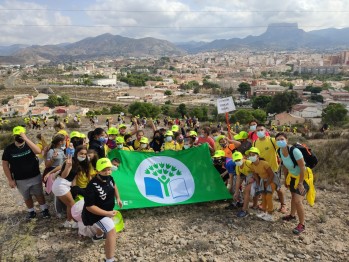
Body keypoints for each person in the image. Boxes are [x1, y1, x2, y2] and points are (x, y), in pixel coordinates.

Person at [2, 126, 50, 220]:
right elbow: (5, 165)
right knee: (26, 196)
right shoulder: (9, 149)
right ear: (14, 136)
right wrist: (10, 180)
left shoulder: (29, 145)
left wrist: (26, 139)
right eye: (17, 135)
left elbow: (38, 151)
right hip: (20, 179)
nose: (19, 137)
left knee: (39, 194)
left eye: (20, 135)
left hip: (34, 176)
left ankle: (44, 210)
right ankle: (31, 212)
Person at [82, 158, 123, 262]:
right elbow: (89, 207)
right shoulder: (91, 187)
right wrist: (107, 213)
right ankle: (109, 260)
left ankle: (98, 236)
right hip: (95, 214)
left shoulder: (109, 178)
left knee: (105, 225)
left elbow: (114, 186)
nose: (107, 172)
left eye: (109, 169)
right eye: (104, 170)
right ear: (97, 171)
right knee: (111, 231)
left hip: (107, 210)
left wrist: (118, 198)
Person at [276, 133, 314, 234]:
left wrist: (301, 183)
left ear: (287, 140)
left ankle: (302, 224)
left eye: (282, 139)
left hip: (304, 177)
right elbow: (284, 165)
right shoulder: (279, 151)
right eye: (278, 139)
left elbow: (302, 167)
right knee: (293, 196)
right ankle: (292, 216)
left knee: (298, 200)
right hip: (292, 176)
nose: (280, 141)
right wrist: (285, 178)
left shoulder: (295, 151)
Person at [52, 146, 90, 228]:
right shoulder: (70, 161)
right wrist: (68, 167)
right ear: (76, 153)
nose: (83, 155)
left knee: (70, 205)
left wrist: (75, 188)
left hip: (64, 185)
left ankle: (69, 222)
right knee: (72, 205)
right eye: (81, 153)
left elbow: (73, 178)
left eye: (85, 154)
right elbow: (63, 175)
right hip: (61, 185)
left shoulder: (78, 163)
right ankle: (70, 222)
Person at [253, 124, 287, 213]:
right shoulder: (255, 143)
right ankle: (265, 204)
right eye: (258, 130)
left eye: (261, 130)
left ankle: (283, 205)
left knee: (278, 188)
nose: (259, 132)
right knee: (264, 187)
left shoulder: (272, 141)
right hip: (262, 171)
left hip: (273, 169)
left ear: (265, 131)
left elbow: (282, 149)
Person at [246, 147, 276, 222]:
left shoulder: (265, 164)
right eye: (250, 155)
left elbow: (272, 175)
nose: (251, 156)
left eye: (253, 155)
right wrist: (259, 183)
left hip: (271, 181)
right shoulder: (252, 165)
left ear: (258, 156)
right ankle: (264, 212)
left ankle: (270, 214)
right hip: (263, 181)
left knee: (268, 197)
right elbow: (255, 174)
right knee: (263, 196)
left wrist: (267, 183)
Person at [232, 151, 255, 218]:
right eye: (236, 160)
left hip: (254, 175)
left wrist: (253, 178)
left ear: (243, 158)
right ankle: (241, 201)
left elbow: (256, 171)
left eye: (239, 159)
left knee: (246, 191)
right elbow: (238, 180)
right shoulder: (237, 167)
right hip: (247, 175)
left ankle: (244, 210)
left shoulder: (248, 163)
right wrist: (236, 192)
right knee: (235, 183)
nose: (237, 161)